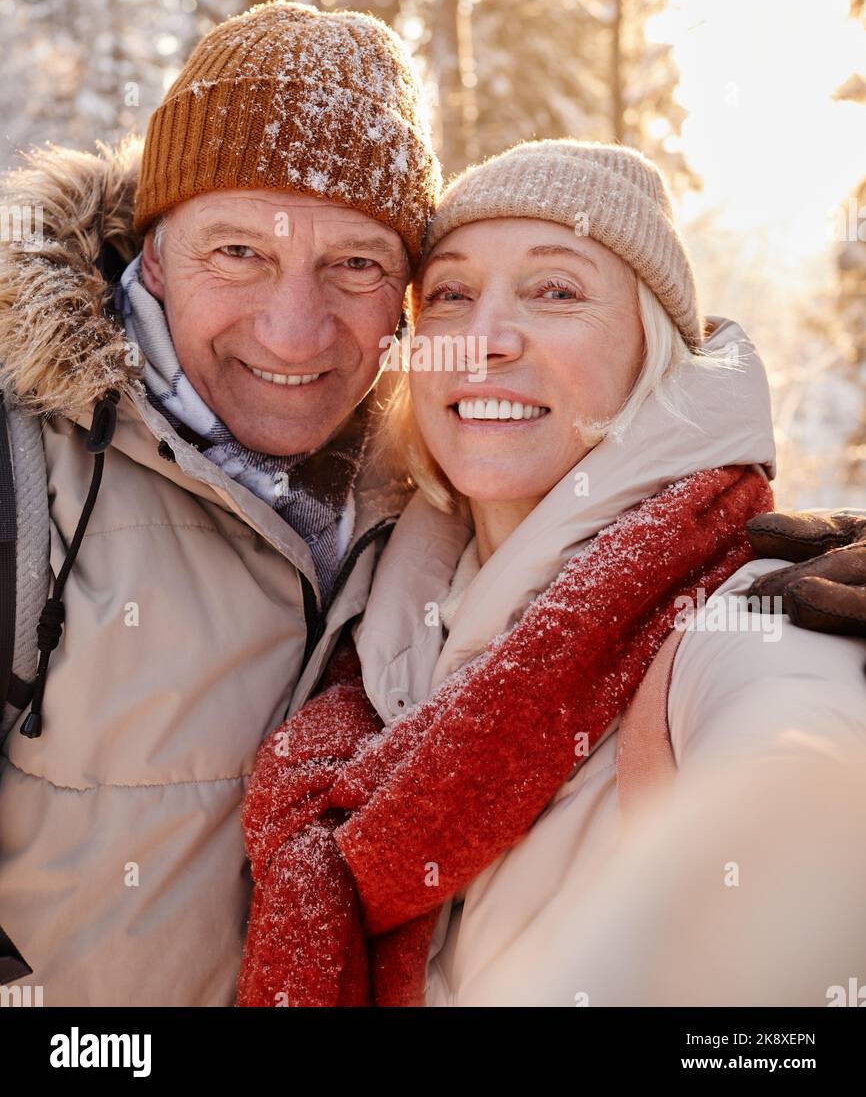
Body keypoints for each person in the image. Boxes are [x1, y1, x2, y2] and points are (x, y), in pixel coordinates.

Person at [236, 138, 866, 1007]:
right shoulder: (369, 639)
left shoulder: (746, 615)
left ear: (652, 354)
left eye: (556, 291)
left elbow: (802, 768)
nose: (484, 342)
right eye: (452, 295)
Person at [0, 0, 441, 1005]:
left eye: (355, 265)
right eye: (239, 251)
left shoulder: (443, 482)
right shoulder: (24, 464)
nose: (294, 333)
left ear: (409, 291)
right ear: (151, 252)